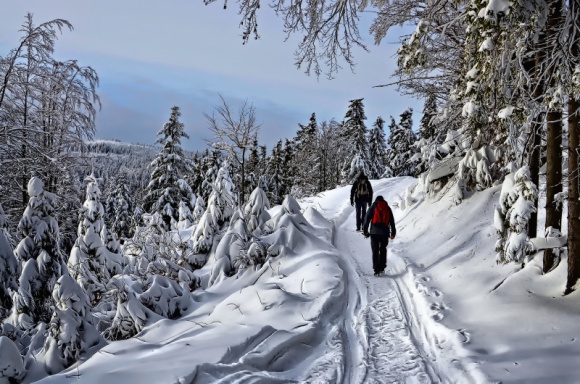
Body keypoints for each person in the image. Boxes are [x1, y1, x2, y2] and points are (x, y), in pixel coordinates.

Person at [362, 195, 396, 276]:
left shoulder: (373, 207)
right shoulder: (387, 208)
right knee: (383, 249)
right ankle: (382, 268)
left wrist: (365, 231)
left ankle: (376, 270)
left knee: (375, 250)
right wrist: (393, 232)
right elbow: (392, 221)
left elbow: (367, 219)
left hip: (374, 232)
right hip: (384, 232)